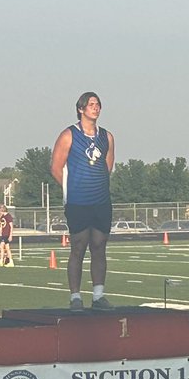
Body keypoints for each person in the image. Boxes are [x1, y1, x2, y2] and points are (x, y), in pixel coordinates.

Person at [50, 91, 116, 311]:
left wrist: (96, 186)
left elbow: (107, 167)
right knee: (78, 247)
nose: (95, 108)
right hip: (78, 202)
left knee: (99, 246)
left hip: (101, 201)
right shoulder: (69, 135)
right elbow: (56, 168)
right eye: (91, 104)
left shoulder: (106, 137)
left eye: (98, 104)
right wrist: (72, 188)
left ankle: (98, 296)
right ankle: (75, 296)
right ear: (81, 109)